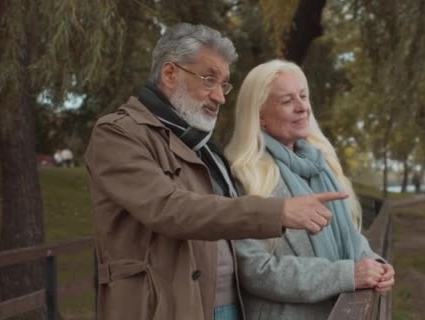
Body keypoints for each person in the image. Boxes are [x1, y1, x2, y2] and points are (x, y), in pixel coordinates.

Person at [84, 24, 344, 320]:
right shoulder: (118, 133)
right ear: (170, 74)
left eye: (224, 84)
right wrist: (278, 212)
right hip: (162, 309)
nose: (220, 96)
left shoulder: (202, 145)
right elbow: (168, 208)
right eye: (209, 79)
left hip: (227, 307)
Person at [225, 59, 395, 319]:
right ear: (259, 116)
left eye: (303, 96)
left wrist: (375, 264)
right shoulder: (245, 177)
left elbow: (349, 235)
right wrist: (346, 275)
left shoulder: (323, 166)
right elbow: (255, 270)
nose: (302, 107)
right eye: (287, 101)